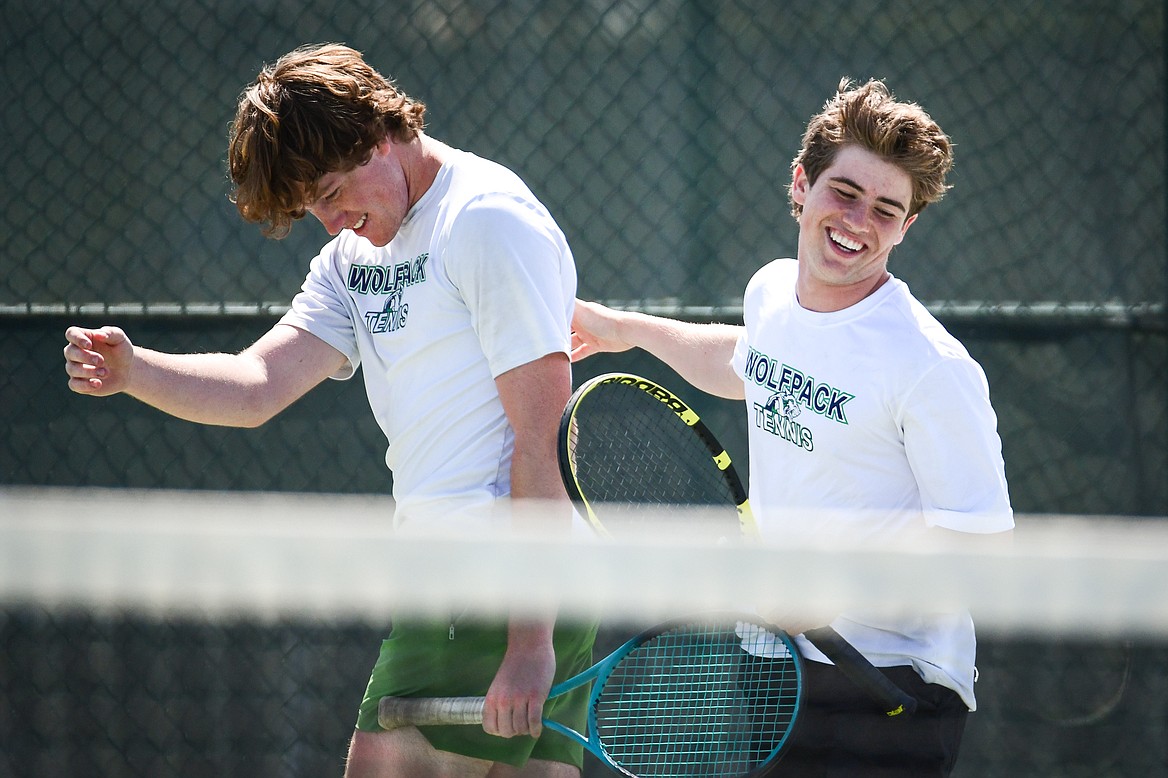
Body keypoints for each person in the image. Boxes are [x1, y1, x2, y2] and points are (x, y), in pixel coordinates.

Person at [63, 43, 595, 778]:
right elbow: (256, 386)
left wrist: (528, 642)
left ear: (379, 134)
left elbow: (544, 441)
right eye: (312, 205)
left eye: (335, 190)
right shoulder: (353, 257)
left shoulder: (485, 222)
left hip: (495, 586)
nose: (332, 219)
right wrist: (134, 371)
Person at [570, 78, 1014, 776]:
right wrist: (627, 330)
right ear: (802, 184)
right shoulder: (773, 291)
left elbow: (976, 543)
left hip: (893, 687)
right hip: (779, 664)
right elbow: (753, 365)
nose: (858, 221)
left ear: (907, 226)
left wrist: (830, 594)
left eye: (886, 209)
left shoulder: (931, 367)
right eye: (844, 192)